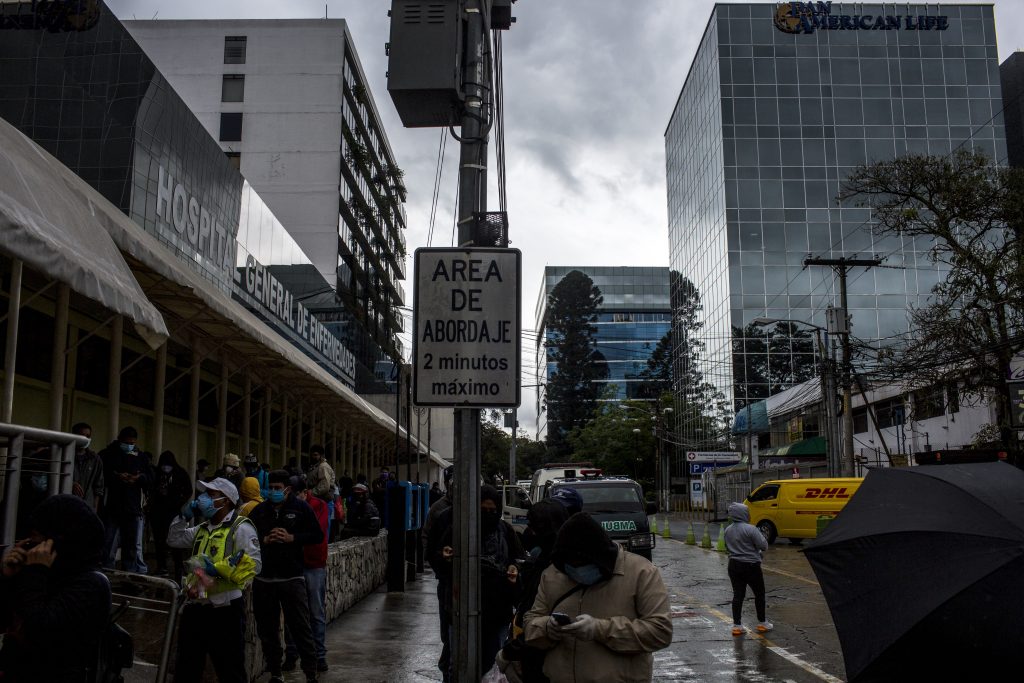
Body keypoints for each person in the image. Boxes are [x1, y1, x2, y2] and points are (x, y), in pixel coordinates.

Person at [524, 512, 672, 683]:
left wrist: (599, 629)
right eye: (570, 565)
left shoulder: (641, 572)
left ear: (600, 557)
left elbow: (660, 631)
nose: (576, 570)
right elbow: (530, 623)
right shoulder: (553, 574)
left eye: (582, 564)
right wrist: (547, 628)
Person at [0, 494, 111, 682]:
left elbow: (40, 629)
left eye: (38, 542)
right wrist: (7, 578)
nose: (33, 548)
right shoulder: (42, 572)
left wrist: (35, 572)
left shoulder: (90, 585)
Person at [167, 477, 261, 683]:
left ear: (225, 500)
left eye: (211, 495)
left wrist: (218, 570)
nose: (203, 499)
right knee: (186, 669)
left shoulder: (241, 528)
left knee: (230, 670)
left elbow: (253, 564)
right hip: (196, 606)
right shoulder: (202, 529)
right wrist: (182, 516)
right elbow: (173, 539)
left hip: (224, 610)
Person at [431, 485, 523, 679]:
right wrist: (445, 557)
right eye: (483, 510)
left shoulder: (505, 532)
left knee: (492, 664)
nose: (488, 515)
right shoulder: (459, 531)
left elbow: (518, 560)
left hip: (497, 610)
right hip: (460, 608)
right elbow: (436, 558)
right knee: (457, 664)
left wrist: (513, 570)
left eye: (492, 511)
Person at [248, 470, 323, 683]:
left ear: (287, 489)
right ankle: (275, 673)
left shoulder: (301, 508)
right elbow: (247, 537)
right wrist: (264, 539)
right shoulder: (259, 511)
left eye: (277, 489)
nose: (273, 492)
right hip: (264, 579)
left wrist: (292, 538)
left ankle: (311, 672)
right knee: (267, 630)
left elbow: (316, 535)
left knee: (300, 627)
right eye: (270, 488)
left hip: (292, 578)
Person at [497, 499, 570, 683]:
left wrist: (511, 651)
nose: (530, 532)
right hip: (527, 652)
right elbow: (525, 602)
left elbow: (549, 623)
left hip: (544, 659)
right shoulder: (540, 560)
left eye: (534, 527)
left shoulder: (562, 568)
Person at [284, 477, 330, 673]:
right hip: (293, 565)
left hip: (313, 564)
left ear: (303, 492)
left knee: (315, 612)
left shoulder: (319, 506)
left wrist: (293, 536)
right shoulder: (287, 506)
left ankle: (319, 656)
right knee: (291, 613)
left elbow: (315, 532)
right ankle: (292, 654)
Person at [100, 426, 152, 573]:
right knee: (109, 541)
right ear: (120, 439)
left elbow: (150, 477)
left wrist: (139, 478)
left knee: (131, 544)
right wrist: (117, 477)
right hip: (113, 505)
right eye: (127, 442)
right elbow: (102, 476)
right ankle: (106, 570)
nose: (130, 445)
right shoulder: (108, 454)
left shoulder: (140, 457)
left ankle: (128, 572)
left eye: (132, 442)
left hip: (132, 507)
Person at [423, 464, 454, 681]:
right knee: (448, 630)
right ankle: (448, 670)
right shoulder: (438, 509)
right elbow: (427, 539)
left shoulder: (478, 506)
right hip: (447, 580)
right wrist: (439, 565)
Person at [724, 501, 771, 636]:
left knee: (738, 595)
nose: (749, 514)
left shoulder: (728, 530)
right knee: (759, 594)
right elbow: (764, 546)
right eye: (747, 512)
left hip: (733, 565)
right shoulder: (751, 529)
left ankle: (737, 626)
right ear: (743, 513)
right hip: (751, 566)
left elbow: (728, 547)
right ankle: (762, 623)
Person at [149, 450, 192, 578]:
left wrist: (179, 501)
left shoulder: (180, 473)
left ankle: (178, 566)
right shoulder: (157, 473)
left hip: (173, 513)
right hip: (158, 513)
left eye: (168, 464)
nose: (165, 466)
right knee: (159, 541)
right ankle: (162, 566)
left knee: (175, 541)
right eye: (163, 464)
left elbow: (188, 490)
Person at [70, 422, 104, 511]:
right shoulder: (65, 455)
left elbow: (98, 488)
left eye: (88, 436)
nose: (85, 439)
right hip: (66, 504)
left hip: (87, 507)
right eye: (82, 435)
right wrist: (69, 484)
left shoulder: (95, 459)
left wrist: (94, 509)